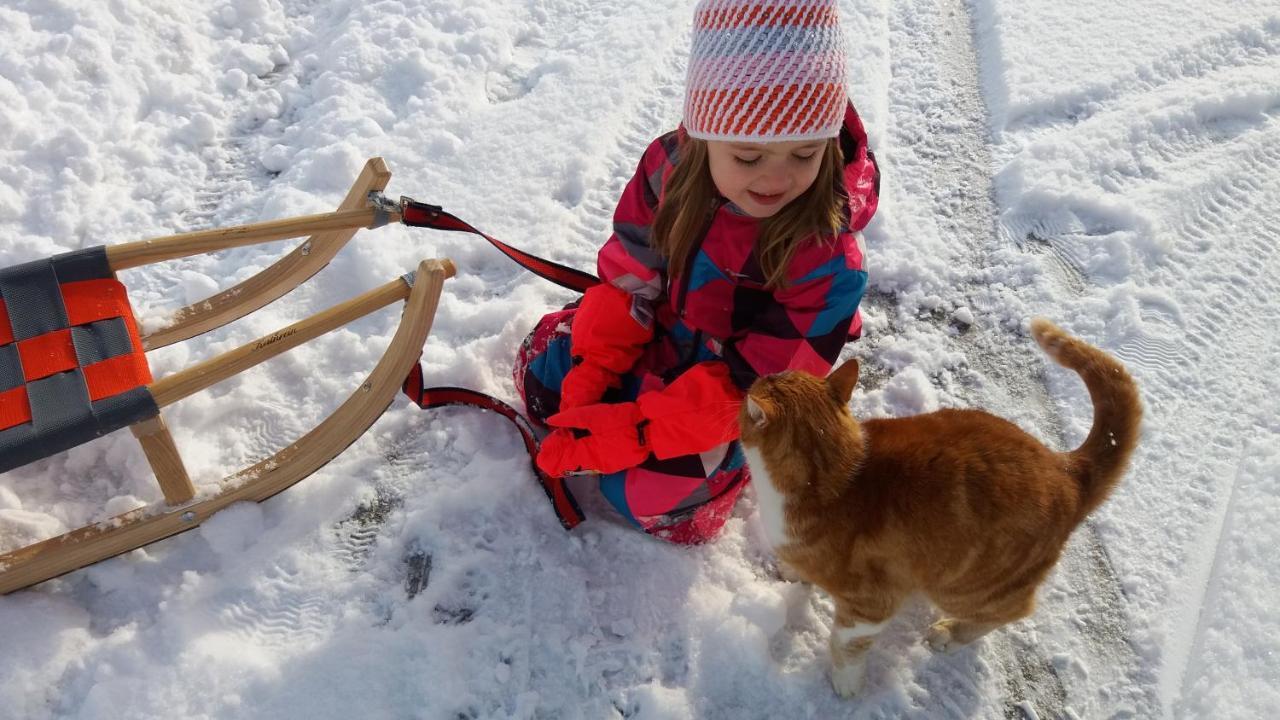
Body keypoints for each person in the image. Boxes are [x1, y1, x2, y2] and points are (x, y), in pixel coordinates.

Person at [513, 0, 880, 544]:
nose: (776, 179)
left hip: (733, 389)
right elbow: (629, 272)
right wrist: (598, 363)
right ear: (705, 134)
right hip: (664, 331)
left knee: (649, 501)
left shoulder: (828, 259)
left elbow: (763, 385)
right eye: (749, 158)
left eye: (804, 154)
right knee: (543, 382)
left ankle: (727, 474)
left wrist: (641, 430)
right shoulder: (670, 167)